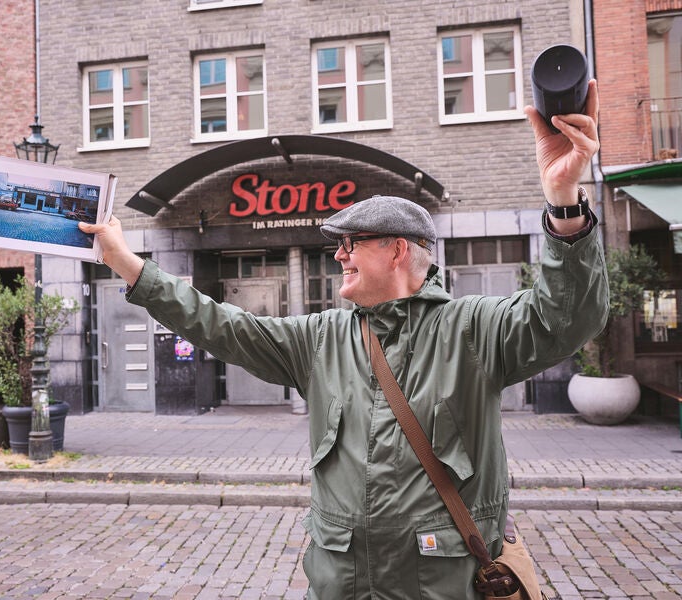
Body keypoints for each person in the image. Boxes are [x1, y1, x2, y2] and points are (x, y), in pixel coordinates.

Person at [80, 80, 608, 599]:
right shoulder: (323, 339)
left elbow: (565, 318)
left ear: (398, 250)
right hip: (341, 585)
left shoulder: (472, 330)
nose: (339, 255)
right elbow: (222, 325)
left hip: (441, 587)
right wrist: (129, 265)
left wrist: (564, 202)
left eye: (352, 243)